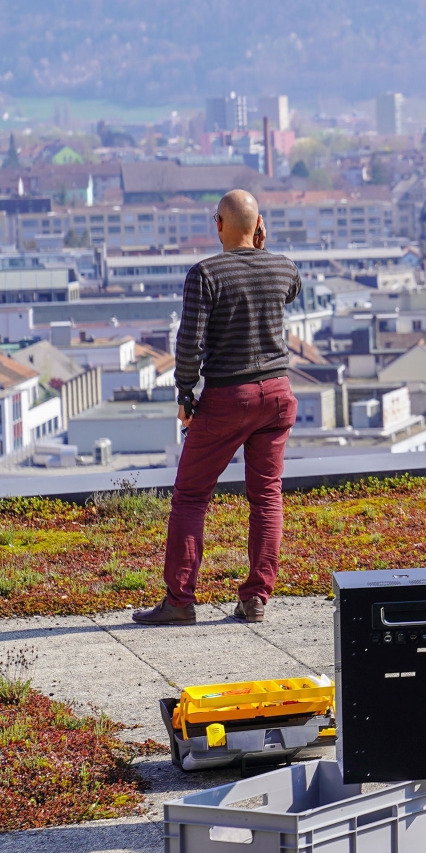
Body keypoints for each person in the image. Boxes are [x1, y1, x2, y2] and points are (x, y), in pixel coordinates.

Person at [134, 189, 302, 626]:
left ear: (219, 224)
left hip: (229, 396)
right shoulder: (283, 267)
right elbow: (289, 290)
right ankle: (256, 598)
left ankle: (180, 600)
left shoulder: (205, 274)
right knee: (266, 496)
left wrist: (186, 393)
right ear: (259, 224)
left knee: (191, 496)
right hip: (278, 395)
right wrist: (259, 247)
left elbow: (189, 343)